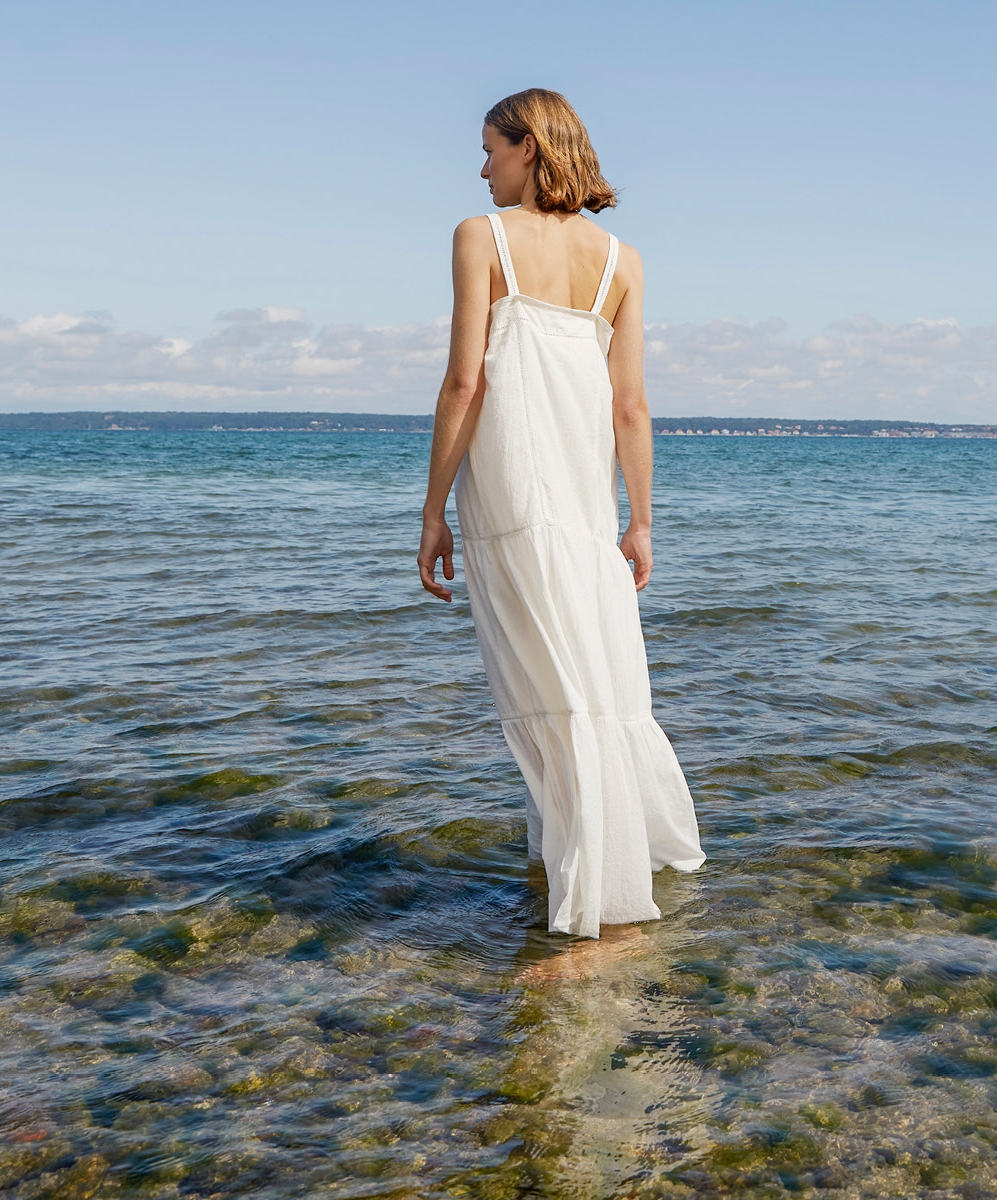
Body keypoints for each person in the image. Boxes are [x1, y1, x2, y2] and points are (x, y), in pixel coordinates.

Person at [417, 88, 705, 948]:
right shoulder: (623, 260)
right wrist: (641, 522)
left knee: (547, 693)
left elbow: (465, 383)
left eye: (492, 150)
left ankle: (590, 901)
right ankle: (598, 867)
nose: (482, 167)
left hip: (512, 498)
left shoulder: (482, 236)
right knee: (592, 684)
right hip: (584, 507)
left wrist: (431, 511)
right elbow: (633, 408)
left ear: (531, 149)